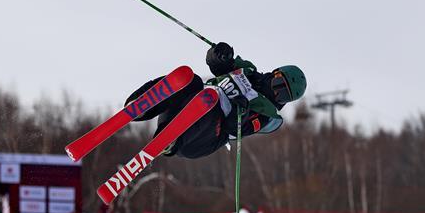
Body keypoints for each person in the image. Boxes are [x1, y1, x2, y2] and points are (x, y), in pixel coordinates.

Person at [126, 42, 306, 159]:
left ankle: (171, 140)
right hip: (183, 109)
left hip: (200, 138)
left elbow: (234, 129)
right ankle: (141, 106)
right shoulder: (248, 71)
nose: (276, 92)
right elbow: (216, 64)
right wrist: (219, 55)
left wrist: (240, 112)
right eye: (278, 84)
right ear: (275, 73)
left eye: (283, 95)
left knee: (211, 104)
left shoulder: (266, 115)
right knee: (191, 80)